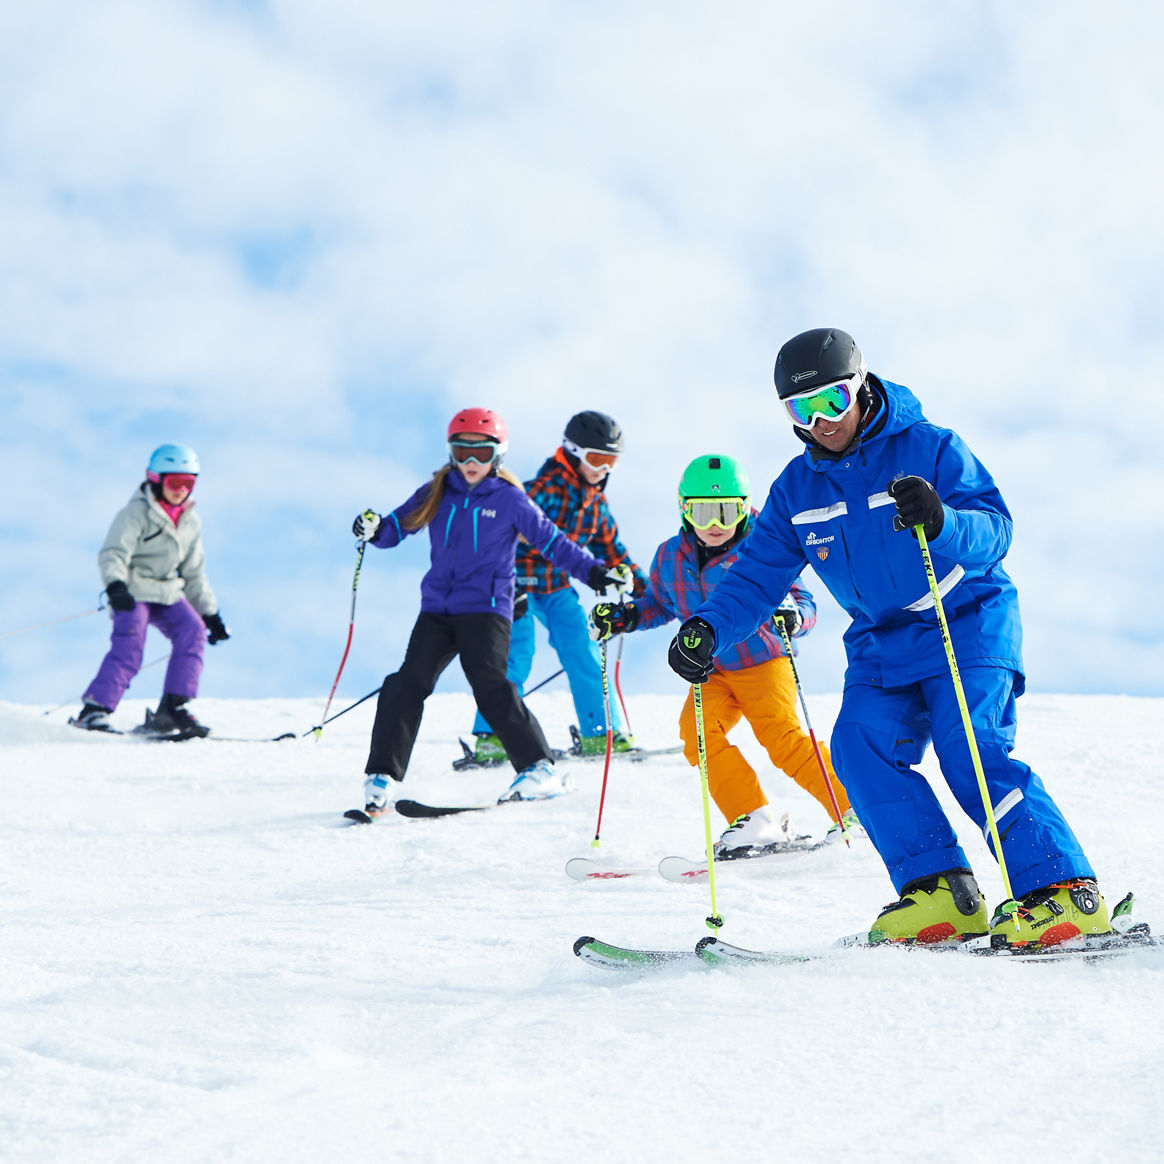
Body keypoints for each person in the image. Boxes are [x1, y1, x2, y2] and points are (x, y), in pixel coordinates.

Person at [668, 328, 1111, 950]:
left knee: (970, 751)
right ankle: (941, 892)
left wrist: (943, 518)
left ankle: (1064, 893)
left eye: (833, 400)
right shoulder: (796, 490)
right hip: (881, 640)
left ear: (862, 387)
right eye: (802, 409)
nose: (821, 421)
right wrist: (707, 630)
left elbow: (996, 530)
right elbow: (757, 578)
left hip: (964, 618)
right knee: (857, 749)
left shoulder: (930, 448)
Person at [354, 407, 632, 818]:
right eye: (462, 453)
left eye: (481, 454)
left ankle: (539, 768)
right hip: (437, 609)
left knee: (490, 683)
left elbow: (554, 543)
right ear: (450, 452)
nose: (471, 464)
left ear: (497, 455)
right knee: (406, 683)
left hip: (486, 610)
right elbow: (398, 526)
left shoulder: (510, 499)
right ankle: (381, 777)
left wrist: (595, 575)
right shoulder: (437, 490)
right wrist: (374, 529)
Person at [588, 453, 854, 854]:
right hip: (711, 670)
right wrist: (625, 616)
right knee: (696, 735)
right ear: (684, 510)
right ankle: (753, 818)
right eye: (703, 512)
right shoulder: (669, 556)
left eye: (727, 512)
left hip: (762, 662)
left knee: (784, 740)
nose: (715, 525)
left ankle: (855, 809)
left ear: (745, 510)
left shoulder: (764, 549)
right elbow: (659, 603)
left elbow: (805, 601)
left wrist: (795, 616)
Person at [469, 410, 648, 762]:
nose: (604, 470)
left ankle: (600, 733)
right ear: (572, 452)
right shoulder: (542, 490)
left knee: (583, 648)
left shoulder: (596, 505)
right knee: (516, 652)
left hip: (554, 587)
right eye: (597, 460)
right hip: (515, 584)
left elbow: (613, 551)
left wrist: (650, 593)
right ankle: (492, 737)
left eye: (612, 461)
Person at [72, 444, 230, 739]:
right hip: (133, 589)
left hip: (168, 590)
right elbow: (113, 553)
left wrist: (210, 614)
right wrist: (116, 585)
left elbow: (194, 572)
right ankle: (94, 710)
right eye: (174, 482)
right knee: (130, 645)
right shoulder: (134, 513)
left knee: (193, 631)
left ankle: (173, 708)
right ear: (155, 479)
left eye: (189, 483)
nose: (181, 490)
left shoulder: (190, 520)